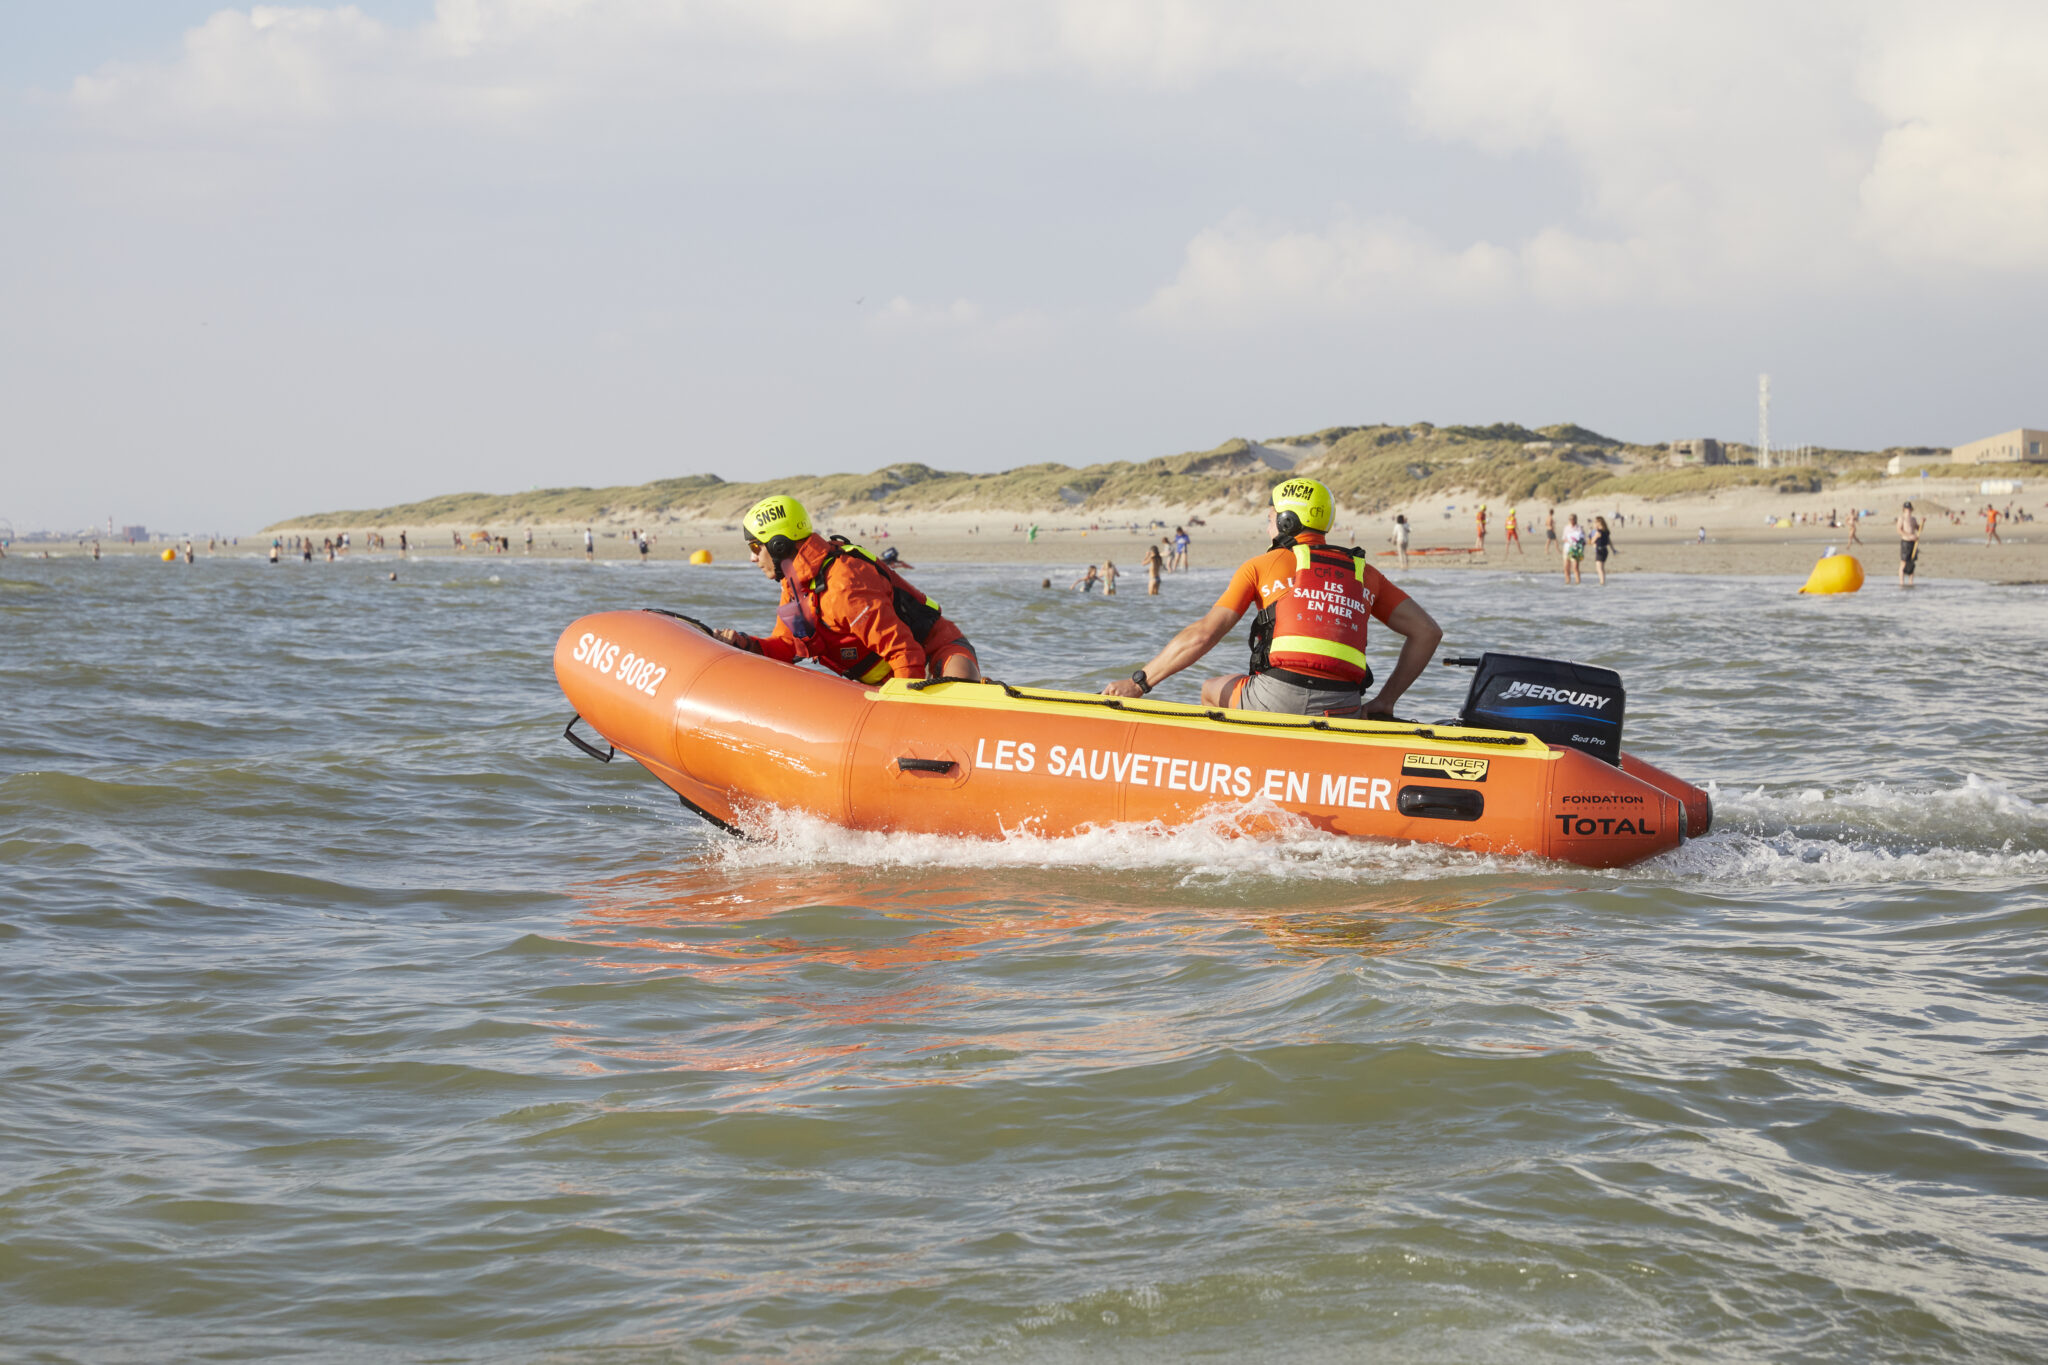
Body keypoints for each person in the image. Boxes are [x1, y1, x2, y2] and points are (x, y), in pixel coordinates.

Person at [1100, 477, 1441, 718]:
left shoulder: (1263, 564)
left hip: (1276, 697)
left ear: (1286, 520)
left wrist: (1139, 683)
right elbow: (1428, 632)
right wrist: (1385, 701)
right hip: (1344, 708)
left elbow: (1203, 634)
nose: (1267, 528)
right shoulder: (1365, 573)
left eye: (1269, 520)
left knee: (1209, 688)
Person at [714, 494, 982, 683]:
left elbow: (905, 654)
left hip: (934, 652)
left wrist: (905, 715)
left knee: (957, 683)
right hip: (880, 679)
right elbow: (787, 647)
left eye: (754, 547)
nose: (752, 558)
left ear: (778, 546)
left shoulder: (843, 585)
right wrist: (745, 643)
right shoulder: (795, 583)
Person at [1898, 501, 1920, 588]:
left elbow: (1918, 528)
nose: (1908, 510)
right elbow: (1899, 530)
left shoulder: (1913, 519)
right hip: (1905, 542)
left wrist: (1923, 522)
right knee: (1903, 563)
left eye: (1909, 509)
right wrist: (1909, 536)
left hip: (1913, 543)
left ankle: (1911, 582)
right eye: (1907, 509)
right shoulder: (1901, 518)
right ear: (1904, 509)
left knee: (1912, 563)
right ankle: (1901, 582)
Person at [1561, 514, 1586, 584]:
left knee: (1575, 567)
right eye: (1570, 519)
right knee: (1566, 567)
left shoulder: (1579, 528)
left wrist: (1578, 544)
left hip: (1576, 550)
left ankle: (1578, 582)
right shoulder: (1566, 528)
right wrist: (1570, 540)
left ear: (1576, 519)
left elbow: (1583, 539)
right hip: (1567, 549)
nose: (1571, 520)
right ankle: (1567, 582)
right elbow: (1563, 538)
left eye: (1573, 519)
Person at [1592, 515, 1615, 586]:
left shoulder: (1598, 532)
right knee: (1602, 567)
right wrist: (1613, 549)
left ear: (1598, 523)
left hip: (1600, 550)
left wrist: (1593, 534)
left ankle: (1602, 582)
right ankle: (1603, 581)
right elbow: (1609, 541)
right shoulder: (1606, 531)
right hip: (1605, 550)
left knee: (1599, 568)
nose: (1594, 524)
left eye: (1595, 522)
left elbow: (1592, 541)